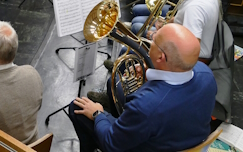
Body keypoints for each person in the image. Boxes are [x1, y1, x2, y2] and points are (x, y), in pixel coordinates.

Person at [69, 24, 217, 152]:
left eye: (153, 40)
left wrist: (97, 114)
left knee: (76, 107)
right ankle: (124, 124)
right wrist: (155, 71)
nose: (149, 41)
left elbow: (111, 143)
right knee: (114, 83)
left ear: (161, 57)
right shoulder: (206, 73)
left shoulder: (145, 107)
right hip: (185, 136)